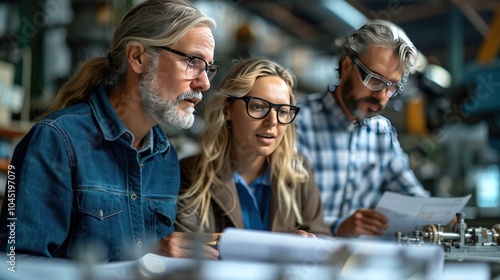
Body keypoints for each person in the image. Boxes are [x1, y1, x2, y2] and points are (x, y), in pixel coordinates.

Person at [0, 0, 219, 261]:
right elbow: (16, 265)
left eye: (209, 68)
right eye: (193, 61)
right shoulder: (55, 141)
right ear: (138, 56)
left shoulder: (165, 157)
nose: (204, 83)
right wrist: (140, 260)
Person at [294, 20, 430, 238]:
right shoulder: (294, 121)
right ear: (347, 65)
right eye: (374, 79)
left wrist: (436, 215)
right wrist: (338, 227)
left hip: (358, 264)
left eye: (392, 86)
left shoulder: (381, 133)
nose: (382, 96)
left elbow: (411, 195)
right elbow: (279, 213)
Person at [175, 58, 331, 237]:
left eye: (282, 111)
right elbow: (189, 251)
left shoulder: (299, 173)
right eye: (258, 107)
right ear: (227, 110)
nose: (272, 121)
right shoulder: (190, 174)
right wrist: (282, 248)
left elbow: (322, 240)